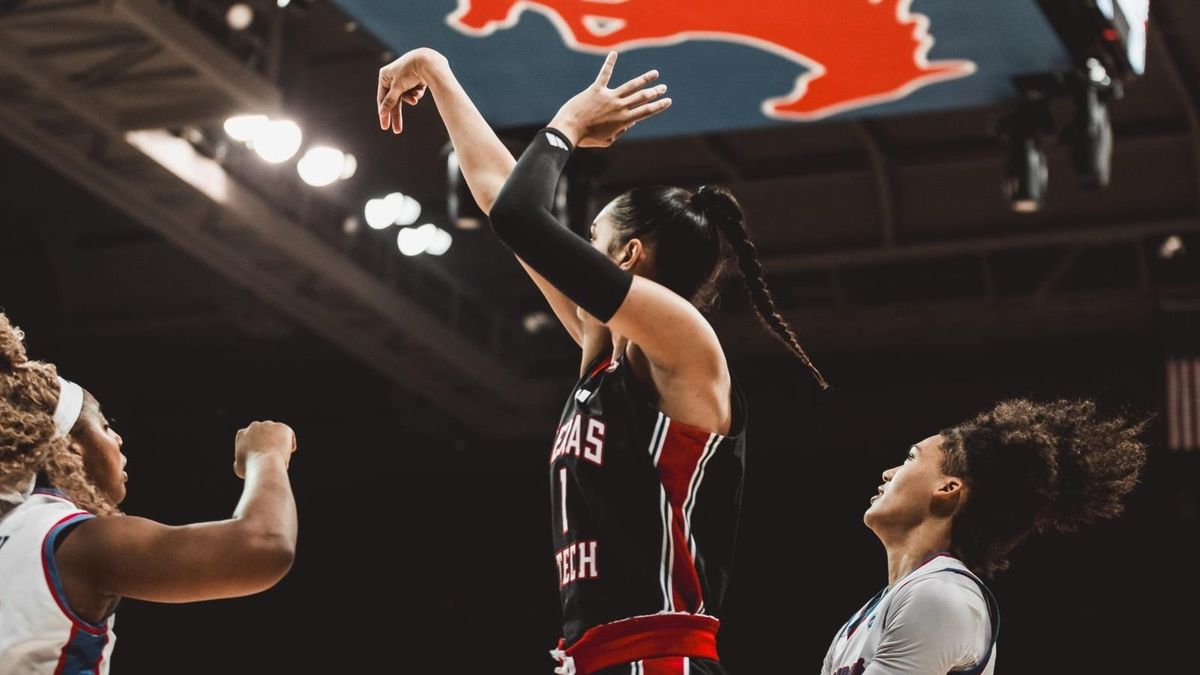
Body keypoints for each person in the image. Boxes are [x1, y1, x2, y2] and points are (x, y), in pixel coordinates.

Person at [377, 49, 824, 675]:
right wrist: (436, 71)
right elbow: (502, 198)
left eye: (591, 240)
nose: (577, 249)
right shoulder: (606, 348)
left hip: (660, 655)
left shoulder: (685, 341)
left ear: (628, 255)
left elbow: (521, 218)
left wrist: (568, 125)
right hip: (596, 655)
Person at [0, 312, 298, 674]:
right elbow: (263, 546)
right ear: (71, 448)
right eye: (105, 425)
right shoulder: (77, 541)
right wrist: (266, 455)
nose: (118, 438)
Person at [821, 399, 1147, 675]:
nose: (888, 473)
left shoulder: (939, 595)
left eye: (910, 457)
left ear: (948, 488)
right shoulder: (875, 610)